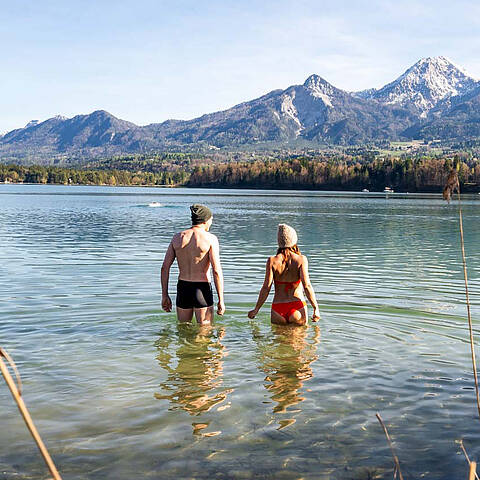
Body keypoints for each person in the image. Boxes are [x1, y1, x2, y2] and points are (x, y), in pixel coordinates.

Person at [161, 204, 225, 325]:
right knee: (204, 333)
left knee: (183, 329)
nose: (211, 223)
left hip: (183, 288)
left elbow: (165, 268)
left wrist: (165, 295)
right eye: (211, 220)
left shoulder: (177, 238)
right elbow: (216, 271)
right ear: (205, 220)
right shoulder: (210, 239)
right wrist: (221, 299)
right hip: (202, 288)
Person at [248, 224, 320, 325]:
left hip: (278, 309)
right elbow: (307, 286)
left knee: (279, 340)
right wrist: (315, 308)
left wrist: (256, 310)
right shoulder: (301, 260)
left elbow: (266, 288)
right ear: (294, 240)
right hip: (297, 307)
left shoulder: (272, 261)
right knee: (298, 339)